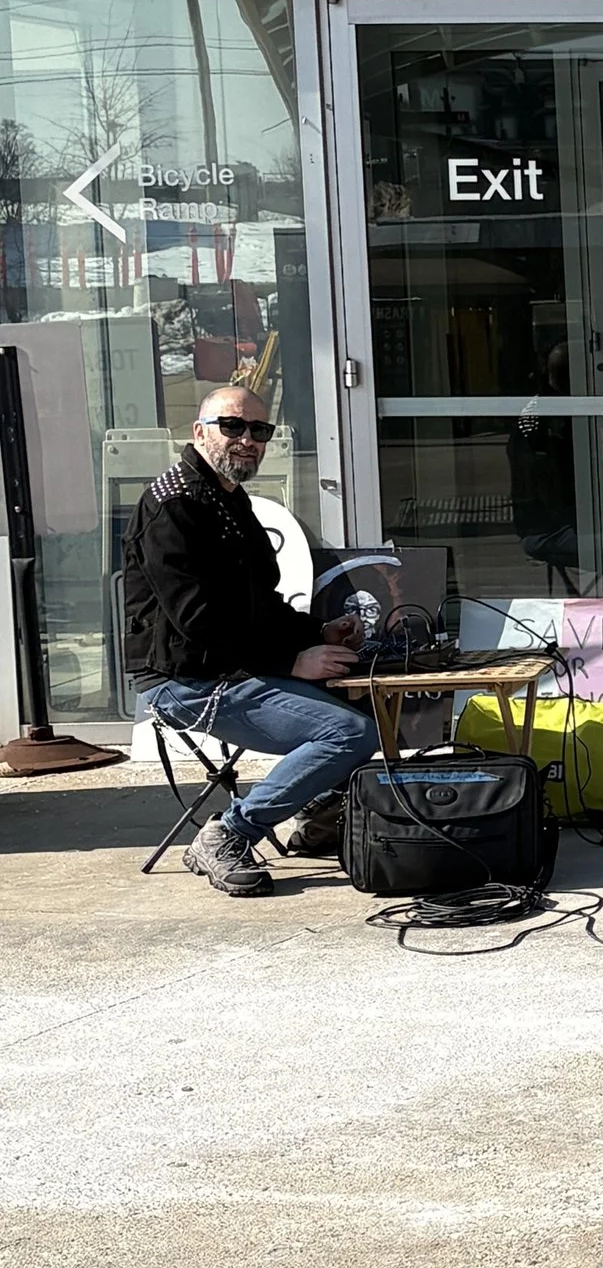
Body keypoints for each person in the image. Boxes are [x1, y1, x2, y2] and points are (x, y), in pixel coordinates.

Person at [122, 385, 377, 898]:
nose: (247, 439)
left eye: (259, 430)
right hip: (186, 679)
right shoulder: (172, 506)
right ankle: (229, 834)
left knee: (367, 689)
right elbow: (198, 621)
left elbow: (259, 605)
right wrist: (291, 661)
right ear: (200, 432)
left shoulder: (228, 497)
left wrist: (316, 633)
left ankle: (318, 813)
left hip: (230, 664)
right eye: (232, 426)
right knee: (347, 733)